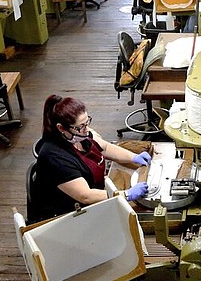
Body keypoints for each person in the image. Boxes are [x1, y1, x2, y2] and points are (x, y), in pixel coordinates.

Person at [30, 95, 150, 224]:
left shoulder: (80, 134)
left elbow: (105, 148)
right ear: (61, 128)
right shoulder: (54, 157)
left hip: (95, 195)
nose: (86, 130)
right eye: (81, 126)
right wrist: (127, 195)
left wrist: (133, 157)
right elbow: (85, 196)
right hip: (68, 217)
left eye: (87, 122)